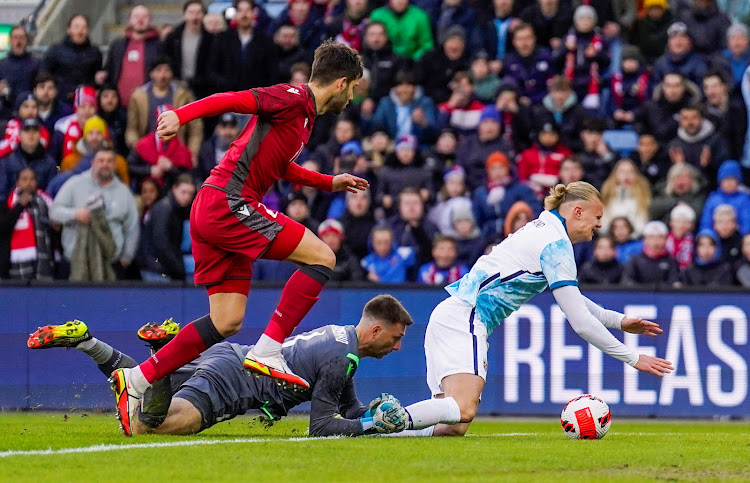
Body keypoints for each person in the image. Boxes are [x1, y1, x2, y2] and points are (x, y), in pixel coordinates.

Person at [110, 40, 369, 436]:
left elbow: (282, 166)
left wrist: (328, 182)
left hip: (215, 209)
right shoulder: (293, 97)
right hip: (227, 202)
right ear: (342, 83)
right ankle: (268, 350)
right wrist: (181, 115)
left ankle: (139, 379)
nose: (352, 99)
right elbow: (232, 99)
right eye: (353, 90)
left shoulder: (304, 117)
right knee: (322, 257)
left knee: (226, 321)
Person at [390, 181, 672, 437]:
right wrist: (633, 358)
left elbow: (574, 300)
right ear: (577, 211)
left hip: (453, 314)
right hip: (465, 316)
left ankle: (373, 431)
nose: (599, 225)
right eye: (597, 217)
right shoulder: (555, 244)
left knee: (451, 428)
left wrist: (619, 321)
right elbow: (581, 323)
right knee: (462, 409)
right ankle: (376, 421)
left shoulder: (544, 229)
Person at [27, 295, 413, 437]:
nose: (397, 348)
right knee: (146, 425)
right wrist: (368, 426)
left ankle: (86, 341)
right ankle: (160, 347)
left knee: (138, 388)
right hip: (234, 382)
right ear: (376, 330)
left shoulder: (340, 340)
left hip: (229, 356)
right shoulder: (340, 359)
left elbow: (345, 407)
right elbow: (322, 426)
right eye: (396, 338)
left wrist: (371, 413)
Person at [50, 148, 140, 282]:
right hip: (75, 261)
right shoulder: (75, 184)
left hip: (111, 264)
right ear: (93, 163)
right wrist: (75, 214)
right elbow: (54, 212)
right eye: (101, 160)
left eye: (109, 161)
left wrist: (127, 257)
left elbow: (132, 227)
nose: (105, 164)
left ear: (115, 165)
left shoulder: (123, 191)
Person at [126, 57, 203, 162]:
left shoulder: (183, 95)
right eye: (158, 70)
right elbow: (132, 129)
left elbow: (195, 128)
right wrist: (138, 147)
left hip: (177, 152)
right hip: (148, 152)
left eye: (166, 70)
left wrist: (192, 153)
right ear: (151, 74)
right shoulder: (138, 96)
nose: (163, 75)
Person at [209, 0, 279, 93]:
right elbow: (212, 69)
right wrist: (224, 85)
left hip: (256, 98)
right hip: (228, 97)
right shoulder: (222, 39)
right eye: (240, 10)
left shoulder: (266, 41)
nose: (244, 15)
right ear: (235, 14)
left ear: (254, 13)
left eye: (248, 10)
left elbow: (272, 72)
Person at [101, 5, 164, 108]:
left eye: (144, 17)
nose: (140, 20)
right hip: (119, 105)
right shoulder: (118, 44)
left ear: (150, 20)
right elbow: (109, 69)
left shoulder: (159, 46)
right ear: (130, 20)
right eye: (136, 16)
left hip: (148, 105)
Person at [139, 174, 196, 282]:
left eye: (190, 193)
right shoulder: (164, 210)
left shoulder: (178, 209)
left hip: (161, 268)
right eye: (183, 192)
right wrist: (179, 270)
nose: (187, 197)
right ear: (174, 189)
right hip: (156, 270)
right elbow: (161, 245)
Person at [0, 168, 54, 280]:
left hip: (41, 260)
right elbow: (3, 227)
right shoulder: (6, 205)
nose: (28, 183)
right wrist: (19, 206)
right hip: (13, 264)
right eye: (24, 179)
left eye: (32, 179)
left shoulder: (45, 203)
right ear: (17, 182)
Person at [472, 151, 539, 238]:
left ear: (507, 168)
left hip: (517, 235)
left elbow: (535, 211)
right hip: (489, 238)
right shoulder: (481, 193)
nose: (497, 172)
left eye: (501, 167)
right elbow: (478, 220)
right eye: (493, 168)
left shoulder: (521, 189)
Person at [42, 15, 102, 104]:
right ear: (69, 30)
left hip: (85, 103)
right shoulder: (56, 50)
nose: (80, 31)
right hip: (60, 101)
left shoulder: (95, 52)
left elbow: (98, 78)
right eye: (76, 27)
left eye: (84, 27)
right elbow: (44, 74)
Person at [162, 1, 213, 100]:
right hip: (176, 88)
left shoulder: (211, 39)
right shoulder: (173, 38)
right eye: (191, 12)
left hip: (203, 90)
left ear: (203, 15)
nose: (195, 17)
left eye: (198, 12)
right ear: (184, 15)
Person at [668, 105, 729, 186]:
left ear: (702, 119)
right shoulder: (675, 145)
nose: (690, 122)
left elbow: (725, 173)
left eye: (694, 117)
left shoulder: (716, 141)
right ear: (680, 122)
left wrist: (708, 166)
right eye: (685, 118)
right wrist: (679, 167)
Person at [0, 119, 57, 200]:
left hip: (40, 207)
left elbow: (51, 193)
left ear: (40, 135)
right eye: (27, 131)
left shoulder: (50, 163)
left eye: (35, 131)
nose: (31, 134)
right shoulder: (6, 161)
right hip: (11, 208)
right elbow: (1, 193)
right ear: (19, 136)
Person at [502, 22, 558, 105]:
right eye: (520, 39)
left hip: (544, 105)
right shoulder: (508, 60)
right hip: (517, 106)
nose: (524, 43)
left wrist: (534, 100)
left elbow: (554, 86)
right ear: (514, 42)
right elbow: (507, 87)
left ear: (534, 38)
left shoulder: (547, 57)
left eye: (528, 38)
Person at [414, 26, 471, 105]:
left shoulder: (467, 62)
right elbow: (418, 78)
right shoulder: (430, 57)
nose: (454, 45)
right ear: (444, 43)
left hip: (454, 100)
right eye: (451, 41)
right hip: (429, 98)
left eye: (459, 41)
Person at [599, 158, 652, 237]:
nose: (626, 175)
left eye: (630, 172)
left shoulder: (643, 198)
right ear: (615, 175)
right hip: (610, 240)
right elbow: (602, 224)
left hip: (634, 241)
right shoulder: (607, 197)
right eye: (622, 172)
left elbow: (642, 225)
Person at [370, 0, 434, 61]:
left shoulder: (420, 16)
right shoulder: (377, 15)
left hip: (413, 62)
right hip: (383, 61)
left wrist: (413, 59)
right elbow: (370, 43)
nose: (400, 1)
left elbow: (427, 45)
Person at [698, 160, 750, 235]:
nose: (729, 183)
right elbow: (706, 223)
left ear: (738, 182)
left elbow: (747, 222)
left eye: (732, 179)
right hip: (715, 239)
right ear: (720, 181)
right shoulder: (713, 199)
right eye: (726, 180)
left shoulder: (744, 199)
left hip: (737, 239)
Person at [622, 220, 680, 287]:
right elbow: (627, 281)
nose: (656, 241)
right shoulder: (635, 261)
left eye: (660, 237)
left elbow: (673, 283)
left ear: (665, 240)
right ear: (645, 240)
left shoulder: (671, 261)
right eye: (651, 237)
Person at [651, 22, 708, 86]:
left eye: (682, 37)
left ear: (689, 41)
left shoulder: (699, 63)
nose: (678, 41)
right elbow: (654, 89)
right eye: (674, 37)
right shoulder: (660, 64)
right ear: (668, 42)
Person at [0, 92, 51, 159]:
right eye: (26, 106)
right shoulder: (5, 125)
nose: (30, 110)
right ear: (18, 109)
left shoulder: (42, 130)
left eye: (34, 107)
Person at [195, 113, 240, 186]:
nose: (227, 132)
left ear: (237, 129)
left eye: (232, 127)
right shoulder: (207, 148)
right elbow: (199, 174)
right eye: (224, 127)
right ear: (217, 129)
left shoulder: (242, 149)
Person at [0, 26, 39, 102]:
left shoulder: (36, 64)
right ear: (10, 41)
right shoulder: (1, 65)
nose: (18, 42)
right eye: (15, 37)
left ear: (27, 41)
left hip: (29, 107)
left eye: (22, 38)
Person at [666, 203, 696, 270]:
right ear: (671, 222)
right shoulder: (664, 240)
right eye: (678, 221)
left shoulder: (695, 241)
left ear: (692, 225)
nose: (681, 225)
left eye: (685, 222)